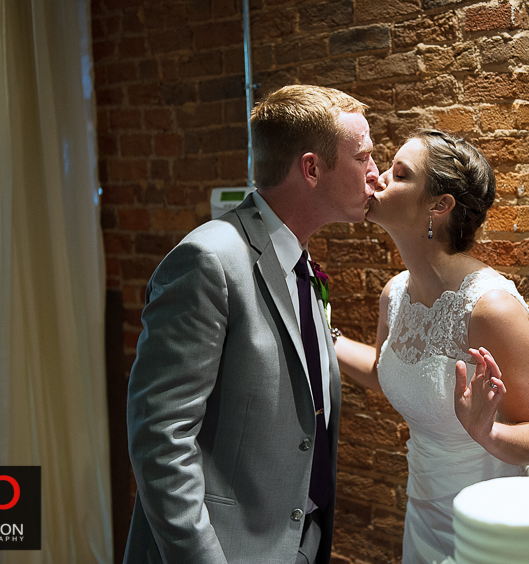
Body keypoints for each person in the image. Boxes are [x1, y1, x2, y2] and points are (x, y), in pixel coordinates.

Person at [123, 85, 379, 564]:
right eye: (363, 157)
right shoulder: (209, 260)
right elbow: (160, 439)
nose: (376, 175)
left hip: (298, 540)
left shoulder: (299, 261)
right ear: (311, 168)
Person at [335, 130, 529, 564]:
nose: (378, 178)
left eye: (400, 175)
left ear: (440, 206)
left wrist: (487, 433)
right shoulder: (394, 294)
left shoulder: (491, 308)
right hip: (425, 514)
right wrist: (323, 336)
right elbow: (386, 371)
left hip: (497, 522)